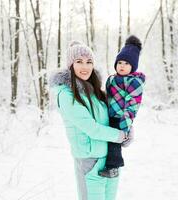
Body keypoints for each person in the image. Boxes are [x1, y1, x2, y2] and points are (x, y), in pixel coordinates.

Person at [50, 41, 130, 200]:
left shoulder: (95, 92)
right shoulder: (67, 95)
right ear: (70, 65)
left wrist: (127, 130)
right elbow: (92, 128)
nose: (84, 67)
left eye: (89, 62)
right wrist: (120, 136)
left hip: (110, 160)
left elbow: (112, 116)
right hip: (90, 162)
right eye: (79, 62)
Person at [98, 35, 145, 178]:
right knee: (107, 141)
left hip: (121, 118)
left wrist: (125, 125)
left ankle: (113, 168)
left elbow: (132, 104)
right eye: (120, 62)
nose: (122, 66)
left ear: (133, 66)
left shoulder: (134, 82)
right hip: (109, 114)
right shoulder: (112, 79)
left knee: (114, 143)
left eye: (126, 63)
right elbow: (106, 96)